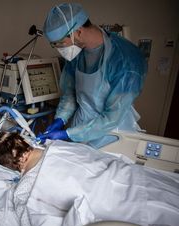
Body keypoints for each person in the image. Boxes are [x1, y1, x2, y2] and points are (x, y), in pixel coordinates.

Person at [0, 131, 179, 226]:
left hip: (132, 213)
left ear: (10, 165)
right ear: (24, 142)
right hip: (146, 181)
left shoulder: (28, 194)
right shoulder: (61, 146)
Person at [37, 3, 147, 148]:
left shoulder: (125, 60)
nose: (60, 49)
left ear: (78, 32)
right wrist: (61, 120)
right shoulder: (76, 53)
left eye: (61, 43)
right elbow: (70, 93)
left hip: (112, 136)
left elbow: (112, 117)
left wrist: (68, 134)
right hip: (80, 129)